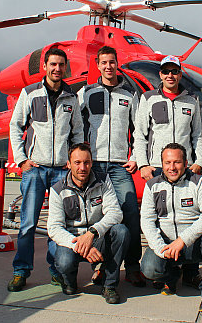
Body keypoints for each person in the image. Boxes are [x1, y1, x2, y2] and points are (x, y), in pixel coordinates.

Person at [8, 47, 84, 292]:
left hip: (62, 172)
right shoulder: (29, 93)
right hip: (36, 169)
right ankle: (21, 270)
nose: (57, 69)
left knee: (58, 225)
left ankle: (56, 270)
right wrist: (22, 160)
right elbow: (15, 125)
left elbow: (78, 132)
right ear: (45, 66)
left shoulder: (71, 97)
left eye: (61, 65)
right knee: (28, 223)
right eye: (53, 64)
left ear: (66, 68)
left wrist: (72, 162)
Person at [134, 54, 202, 288]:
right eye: (165, 71)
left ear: (180, 73)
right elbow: (140, 135)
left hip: (185, 168)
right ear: (161, 74)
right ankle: (165, 269)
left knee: (188, 214)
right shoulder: (148, 98)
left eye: (174, 71)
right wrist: (143, 164)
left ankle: (190, 270)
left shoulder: (192, 100)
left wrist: (200, 162)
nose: (170, 75)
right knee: (161, 217)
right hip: (157, 167)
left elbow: (198, 135)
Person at [77, 46, 144, 287]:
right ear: (98, 65)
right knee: (97, 216)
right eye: (104, 62)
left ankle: (133, 266)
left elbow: (140, 130)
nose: (108, 66)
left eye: (112, 62)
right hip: (94, 165)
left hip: (118, 165)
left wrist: (136, 155)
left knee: (130, 213)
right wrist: (79, 157)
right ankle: (100, 266)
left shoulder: (129, 95)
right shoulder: (86, 93)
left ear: (117, 64)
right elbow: (75, 126)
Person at [140, 143, 202, 313]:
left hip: (192, 245)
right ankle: (172, 276)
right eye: (167, 163)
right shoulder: (152, 185)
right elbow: (146, 220)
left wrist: (183, 240)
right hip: (166, 245)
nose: (172, 167)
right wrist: (161, 248)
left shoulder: (199, 182)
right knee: (148, 269)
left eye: (177, 162)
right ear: (161, 164)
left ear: (185, 163)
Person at [48, 143, 129, 304]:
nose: (82, 167)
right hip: (72, 241)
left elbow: (115, 213)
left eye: (86, 162)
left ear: (92, 163)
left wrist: (92, 233)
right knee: (64, 262)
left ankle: (109, 285)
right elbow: (54, 228)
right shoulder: (58, 190)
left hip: (96, 237)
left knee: (121, 231)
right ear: (69, 164)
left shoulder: (103, 181)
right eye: (77, 163)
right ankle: (69, 281)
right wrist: (80, 245)